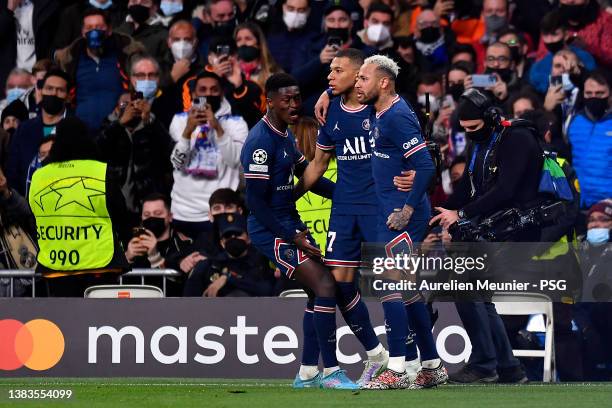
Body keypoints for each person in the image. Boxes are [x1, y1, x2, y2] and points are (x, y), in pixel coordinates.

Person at [240, 73, 358, 389]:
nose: (294, 105)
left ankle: (307, 373)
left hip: (289, 224)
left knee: (316, 291)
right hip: (271, 230)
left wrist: (347, 194)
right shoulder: (260, 142)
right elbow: (255, 203)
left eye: (296, 98)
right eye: (286, 99)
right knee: (324, 284)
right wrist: (290, 236)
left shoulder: (285, 135)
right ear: (270, 101)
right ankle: (331, 372)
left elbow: (309, 175)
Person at [297, 49, 394, 388]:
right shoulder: (330, 112)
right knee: (336, 286)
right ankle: (374, 354)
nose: (329, 76)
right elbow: (318, 165)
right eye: (329, 71)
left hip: (380, 208)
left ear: (358, 75)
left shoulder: (381, 106)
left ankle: (414, 360)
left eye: (337, 70)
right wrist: (288, 197)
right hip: (345, 208)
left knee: (397, 286)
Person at [431, 88, 539, 383]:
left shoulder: (518, 139)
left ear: (492, 118)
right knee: (477, 294)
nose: (470, 134)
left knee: (463, 285)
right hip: (494, 229)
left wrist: (462, 215)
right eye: (465, 130)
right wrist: (440, 213)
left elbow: (506, 190)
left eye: (475, 129)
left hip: (521, 233)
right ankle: (507, 368)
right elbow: (469, 188)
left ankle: (483, 364)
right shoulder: (482, 143)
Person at [353, 54, 447, 389]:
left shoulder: (396, 117)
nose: (357, 83)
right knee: (406, 291)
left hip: (400, 214)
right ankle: (432, 365)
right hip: (390, 209)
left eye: (363, 78)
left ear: (383, 82)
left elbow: (425, 166)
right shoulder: (382, 110)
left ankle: (395, 369)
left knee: (390, 287)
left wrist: (407, 210)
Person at [28, 117, 130, 297]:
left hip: (56, 266)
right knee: (99, 322)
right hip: (99, 264)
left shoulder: (40, 175)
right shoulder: (99, 171)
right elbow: (120, 213)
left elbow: (34, 214)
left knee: (64, 323)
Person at [169, 70, 248, 239]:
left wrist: (218, 128)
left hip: (222, 210)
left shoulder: (236, 124)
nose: (208, 94)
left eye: (213, 90)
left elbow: (235, 161)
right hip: (184, 212)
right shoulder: (180, 120)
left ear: (221, 93)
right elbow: (177, 163)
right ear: (193, 93)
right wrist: (188, 131)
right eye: (202, 90)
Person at [54, 7, 145, 131]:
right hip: (81, 133)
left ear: (109, 30)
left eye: (99, 27)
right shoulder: (70, 60)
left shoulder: (126, 55)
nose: (94, 32)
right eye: (89, 28)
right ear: (82, 32)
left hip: (118, 131)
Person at [97, 89, 174, 221]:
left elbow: (170, 152)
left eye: (135, 104)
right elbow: (97, 150)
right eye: (125, 105)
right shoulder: (109, 126)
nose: (130, 108)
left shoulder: (152, 124)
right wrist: (120, 124)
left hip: (149, 204)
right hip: (116, 202)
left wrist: (149, 121)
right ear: (116, 108)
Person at [5, 69, 70, 197]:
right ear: (40, 91)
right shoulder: (24, 129)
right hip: (26, 208)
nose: (54, 93)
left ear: (68, 96)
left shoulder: (76, 130)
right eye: (49, 88)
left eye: (60, 90)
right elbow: (13, 171)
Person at [183, 212, 276, 297]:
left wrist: (230, 278)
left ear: (249, 238)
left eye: (238, 234)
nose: (233, 238)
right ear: (222, 243)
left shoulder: (262, 263)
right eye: (228, 236)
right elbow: (189, 297)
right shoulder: (208, 265)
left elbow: (267, 290)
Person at [124, 193, 193, 296]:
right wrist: (128, 257)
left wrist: (155, 256)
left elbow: (182, 283)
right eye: (147, 215)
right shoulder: (133, 243)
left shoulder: (184, 244)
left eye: (157, 213)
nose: (152, 218)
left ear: (170, 216)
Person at [566, 70, 612, 209]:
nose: (594, 97)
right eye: (589, 94)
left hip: (607, 204)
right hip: (579, 202)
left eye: (600, 93)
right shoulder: (574, 121)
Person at [0, 0, 61, 99]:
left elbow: (54, 43)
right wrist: (9, 10)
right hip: (8, 82)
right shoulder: (3, 6)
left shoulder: (50, 4)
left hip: (38, 78)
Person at [528, 10, 596, 94]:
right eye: (546, 35)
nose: (550, 40)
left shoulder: (585, 57)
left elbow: (593, 83)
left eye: (554, 34)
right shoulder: (538, 67)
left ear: (566, 34)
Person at [266, 0, 317, 73]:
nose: (295, 14)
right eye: (291, 9)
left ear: (308, 11)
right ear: (283, 7)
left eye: (301, 10)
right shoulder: (272, 36)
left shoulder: (315, 39)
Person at [233, 21, 282, 91]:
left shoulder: (273, 73)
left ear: (259, 44)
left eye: (248, 39)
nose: (243, 43)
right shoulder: (231, 72)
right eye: (239, 40)